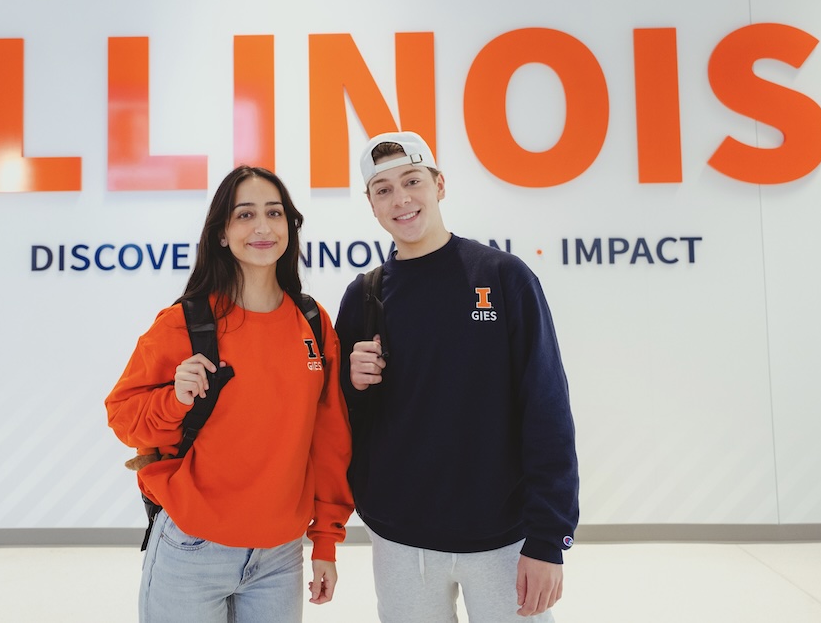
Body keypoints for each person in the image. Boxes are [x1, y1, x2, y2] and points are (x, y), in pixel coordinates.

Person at [335, 131, 579, 622]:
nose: (401, 199)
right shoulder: (364, 297)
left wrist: (549, 539)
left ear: (439, 185)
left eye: (412, 181)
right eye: (383, 190)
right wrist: (351, 384)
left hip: (502, 538)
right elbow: (340, 420)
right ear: (371, 204)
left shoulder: (502, 277)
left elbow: (546, 406)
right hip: (401, 541)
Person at [106, 165, 353, 623]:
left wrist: (326, 541)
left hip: (280, 557)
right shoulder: (185, 322)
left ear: (288, 226)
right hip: (191, 548)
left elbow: (329, 440)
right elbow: (122, 416)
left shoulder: (313, 322)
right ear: (222, 233)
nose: (262, 227)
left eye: (274, 213)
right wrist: (174, 399)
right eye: (245, 215)